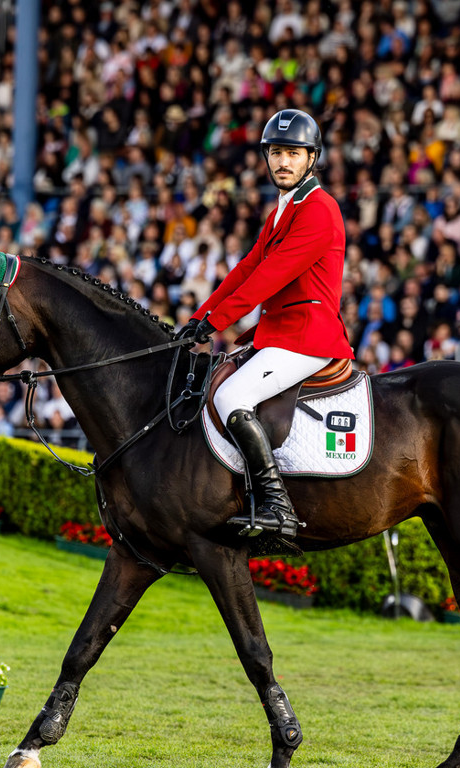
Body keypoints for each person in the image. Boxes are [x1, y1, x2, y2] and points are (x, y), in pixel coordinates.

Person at [177, 109, 353, 545]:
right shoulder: (281, 211)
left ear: (311, 158)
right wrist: (200, 317)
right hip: (281, 333)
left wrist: (216, 322)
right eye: (276, 152)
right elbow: (245, 269)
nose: (283, 162)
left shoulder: (320, 209)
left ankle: (277, 506)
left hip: (308, 335)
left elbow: (270, 276)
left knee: (230, 395)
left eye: (293, 153)